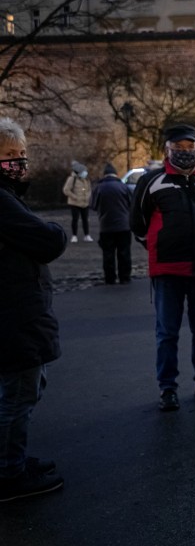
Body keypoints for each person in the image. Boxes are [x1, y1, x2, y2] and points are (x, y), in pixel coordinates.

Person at [130, 124, 195, 411]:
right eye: (179, 148)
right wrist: (157, 249)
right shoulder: (152, 181)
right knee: (167, 333)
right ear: (167, 149)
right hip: (168, 271)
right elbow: (137, 224)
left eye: (190, 148)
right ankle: (167, 388)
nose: (185, 153)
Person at [0, 117, 67, 502]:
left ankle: (14, 459)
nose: (19, 161)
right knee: (18, 395)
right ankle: (9, 474)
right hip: (13, 314)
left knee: (22, 391)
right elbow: (46, 241)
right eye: (10, 155)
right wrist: (52, 230)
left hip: (17, 312)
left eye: (22, 153)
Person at [90, 163, 133, 285]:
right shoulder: (123, 187)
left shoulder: (99, 188)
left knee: (108, 254)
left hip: (106, 226)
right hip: (123, 225)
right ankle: (125, 277)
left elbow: (93, 205)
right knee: (124, 252)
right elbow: (131, 204)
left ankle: (110, 278)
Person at [62, 160, 93, 243]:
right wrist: (74, 197)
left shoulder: (86, 179)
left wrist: (87, 196)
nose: (85, 173)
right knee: (75, 220)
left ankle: (87, 235)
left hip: (84, 203)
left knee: (85, 220)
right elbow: (66, 190)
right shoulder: (72, 179)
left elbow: (89, 189)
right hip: (75, 203)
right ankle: (74, 235)